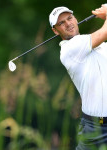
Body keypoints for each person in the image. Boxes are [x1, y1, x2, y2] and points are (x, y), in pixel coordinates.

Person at [49, 5, 107, 150]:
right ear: (55, 31)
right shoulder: (69, 49)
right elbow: (104, 32)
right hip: (97, 129)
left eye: (69, 18)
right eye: (61, 23)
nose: (68, 23)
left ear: (75, 19)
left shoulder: (99, 46)